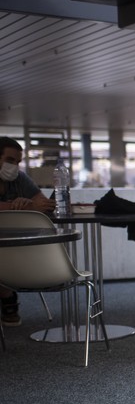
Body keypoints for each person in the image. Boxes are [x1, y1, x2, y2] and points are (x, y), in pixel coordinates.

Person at [0, 136, 57, 327]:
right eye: (10, 161)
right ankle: (7, 295)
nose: (14, 166)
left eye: (18, 162)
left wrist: (30, 204)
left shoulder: (20, 179)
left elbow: (44, 205)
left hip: (16, 247)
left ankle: (7, 293)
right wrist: (13, 206)